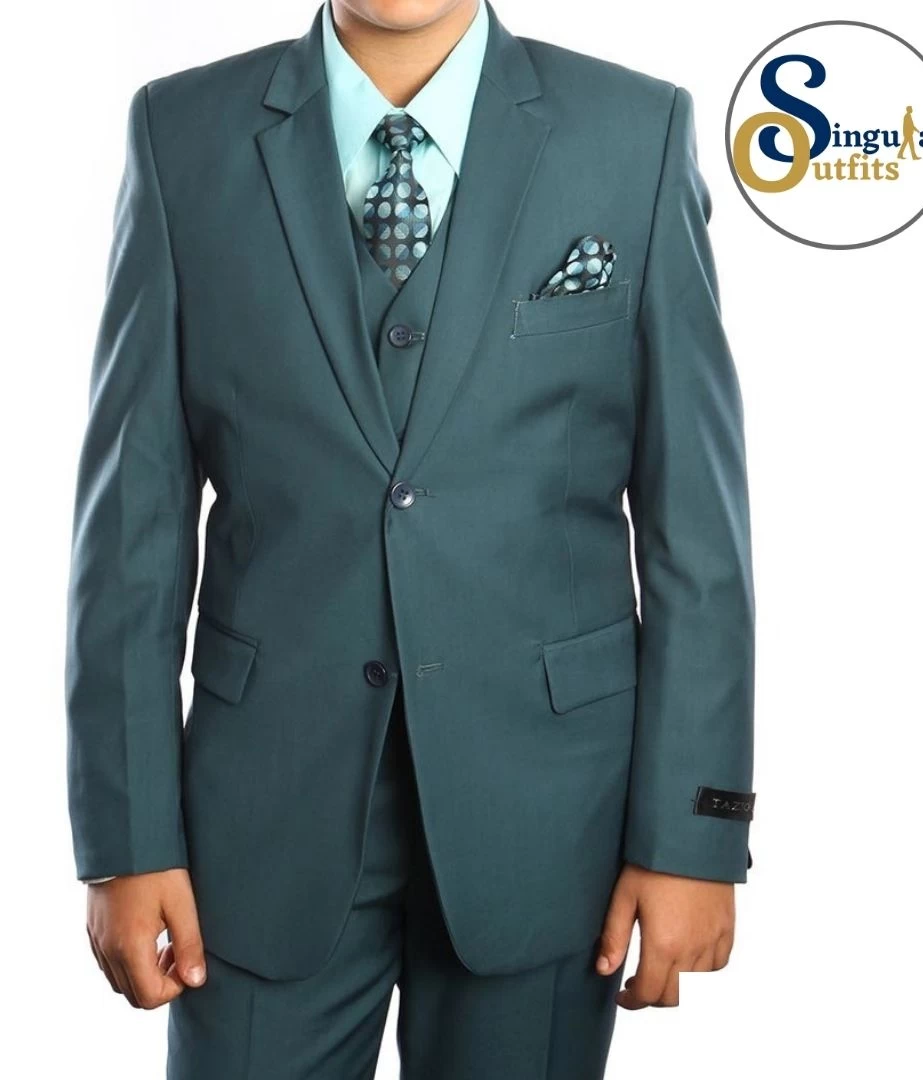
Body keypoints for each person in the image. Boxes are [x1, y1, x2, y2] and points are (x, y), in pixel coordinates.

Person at [65, 1, 756, 1075]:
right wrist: (125, 840)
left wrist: (695, 833)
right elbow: (130, 532)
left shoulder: (635, 134)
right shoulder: (182, 136)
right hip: (261, 823)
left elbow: (696, 531)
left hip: (550, 820)